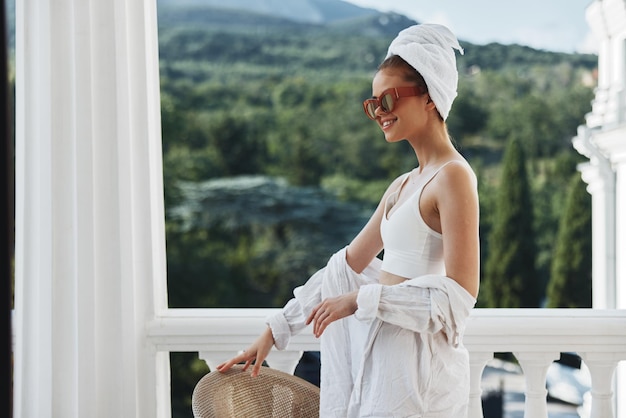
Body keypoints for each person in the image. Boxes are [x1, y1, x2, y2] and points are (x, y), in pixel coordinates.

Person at [217, 23, 480, 417]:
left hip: (419, 372)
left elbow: (459, 297)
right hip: (380, 362)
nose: (379, 114)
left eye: (387, 100)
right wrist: (275, 331)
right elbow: (342, 266)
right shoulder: (402, 186)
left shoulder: (454, 177)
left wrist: (361, 299)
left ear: (429, 96)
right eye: (372, 104)